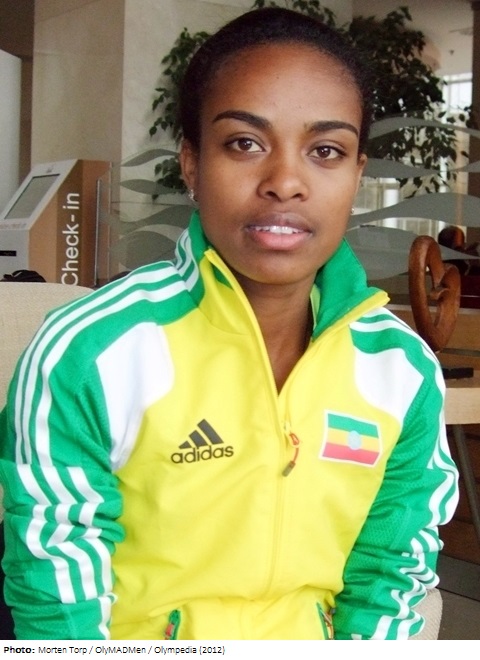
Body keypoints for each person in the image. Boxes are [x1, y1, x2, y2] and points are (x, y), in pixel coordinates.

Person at [0, 7, 458, 641]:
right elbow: (56, 592)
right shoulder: (90, 351)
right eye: (245, 143)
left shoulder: (400, 370)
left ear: (357, 173)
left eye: (326, 151)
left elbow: (391, 570)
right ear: (191, 163)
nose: (285, 182)